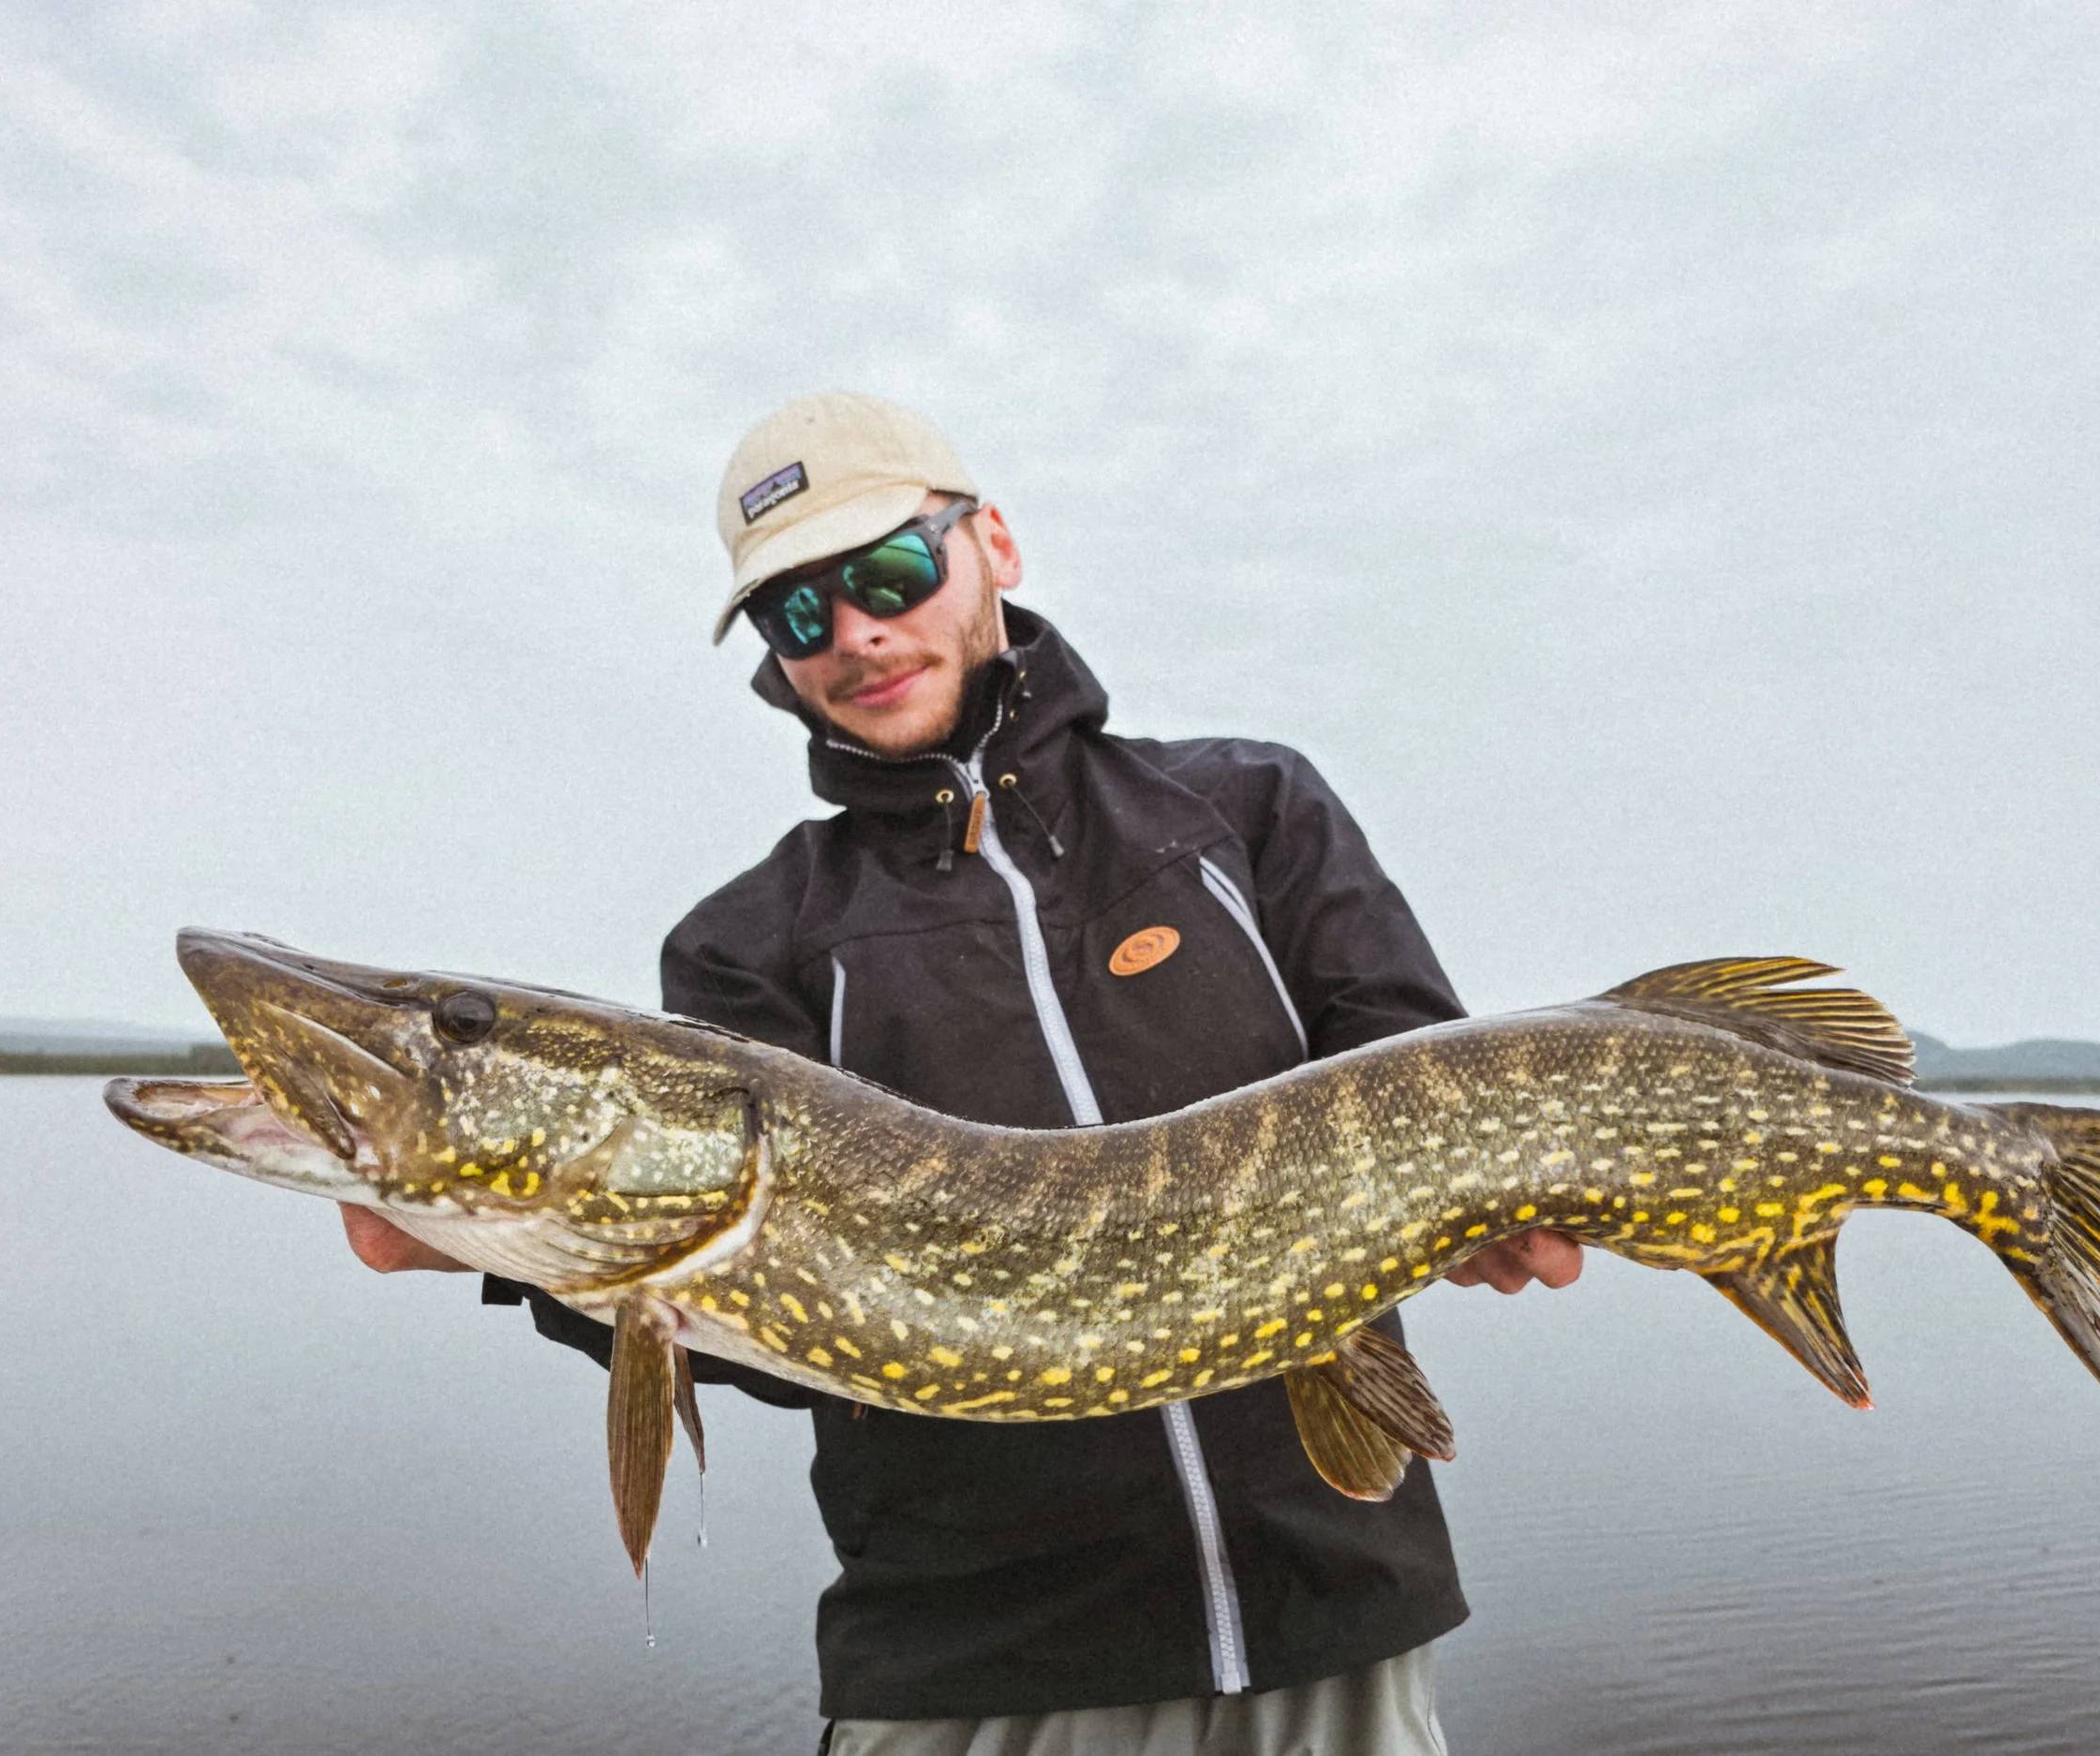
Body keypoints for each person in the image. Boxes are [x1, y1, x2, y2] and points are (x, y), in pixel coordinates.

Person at [343, 391, 1583, 1754]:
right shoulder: (751, 944)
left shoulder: (1246, 810)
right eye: (798, 615)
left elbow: (1427, 1083)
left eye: (887, 572)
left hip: (1330, 1612)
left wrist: (1501, 1214)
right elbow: (791, 1335)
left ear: (991, 540)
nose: (857, 634)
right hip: (976, 1660)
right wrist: (502, 1243)